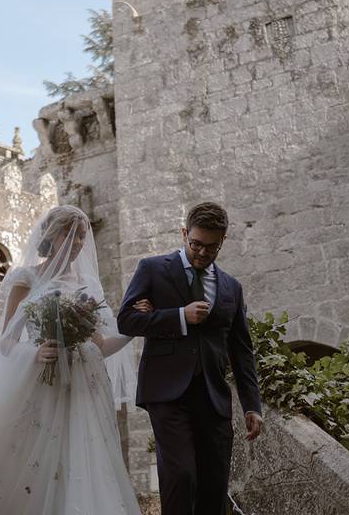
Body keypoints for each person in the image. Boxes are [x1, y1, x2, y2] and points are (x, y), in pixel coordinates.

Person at [0, 205, 149, 514]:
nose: (77, 242)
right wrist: (35, 353)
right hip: (42, 384)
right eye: (70, 234)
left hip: (82, 388)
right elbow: (6, 342)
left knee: (81, 457)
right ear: (52, 236)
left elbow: (102, 345)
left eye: (81, 236)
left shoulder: (86, 287)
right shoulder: (26, 278)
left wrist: (136, 328)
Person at [118, 202, 263, 515]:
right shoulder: (153, 268)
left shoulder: (231, 288)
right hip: (166, 392)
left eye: (212, 248)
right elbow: (126, 320)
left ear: (222, 242)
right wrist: (178, 316)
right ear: (185, 234)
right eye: (196, 244)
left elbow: (241, 350)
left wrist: (252, 405)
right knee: (181, 476)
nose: (201, 253)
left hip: (213, 397)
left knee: (214, 485)